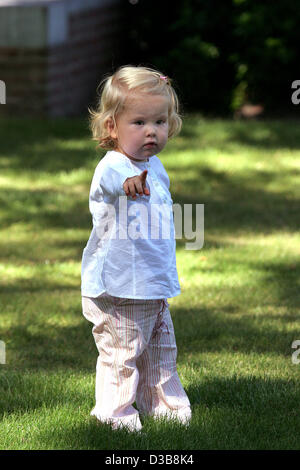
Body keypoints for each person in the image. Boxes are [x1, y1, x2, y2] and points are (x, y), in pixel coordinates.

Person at [81, 65, 191, 432]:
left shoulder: (155, 166)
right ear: (112, 127)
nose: (151, 131)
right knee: (122, 353)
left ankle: (164, 405)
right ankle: (114, 414)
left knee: (160, 349)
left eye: (160, 122)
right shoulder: (114, 167)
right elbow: (113, 183)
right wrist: (128, 183)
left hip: (150, 282)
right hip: (119, 285)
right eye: (139, 122)